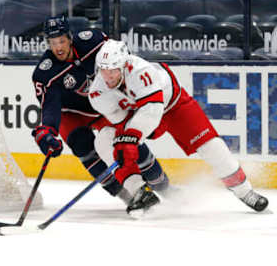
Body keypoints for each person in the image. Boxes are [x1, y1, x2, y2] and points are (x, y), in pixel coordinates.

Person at [88, 39, 269, 213]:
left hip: (175, 107)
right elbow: (121, 121)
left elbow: (152, 111)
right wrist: (124, 141)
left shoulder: (141, 71)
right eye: (103, 70)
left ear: (124, 66)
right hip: (137, 116)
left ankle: (245, 191)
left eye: (112, 70)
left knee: (212, 147)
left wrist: (131, 136)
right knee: (104, 141)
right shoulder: (97, 92)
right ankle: (139, 193)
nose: (107, 76)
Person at [31, 16, 171, 210]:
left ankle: (163, 186)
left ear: (70, 37)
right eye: (53, 43)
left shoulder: (93, 41)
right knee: (84, 150)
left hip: (103, 103)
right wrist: (47, 131)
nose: (58, 47)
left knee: (124, 140)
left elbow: (121, 58)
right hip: (71, 113)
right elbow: (50, 107)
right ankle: (130, 196)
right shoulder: (45, 72)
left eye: (62, 41)